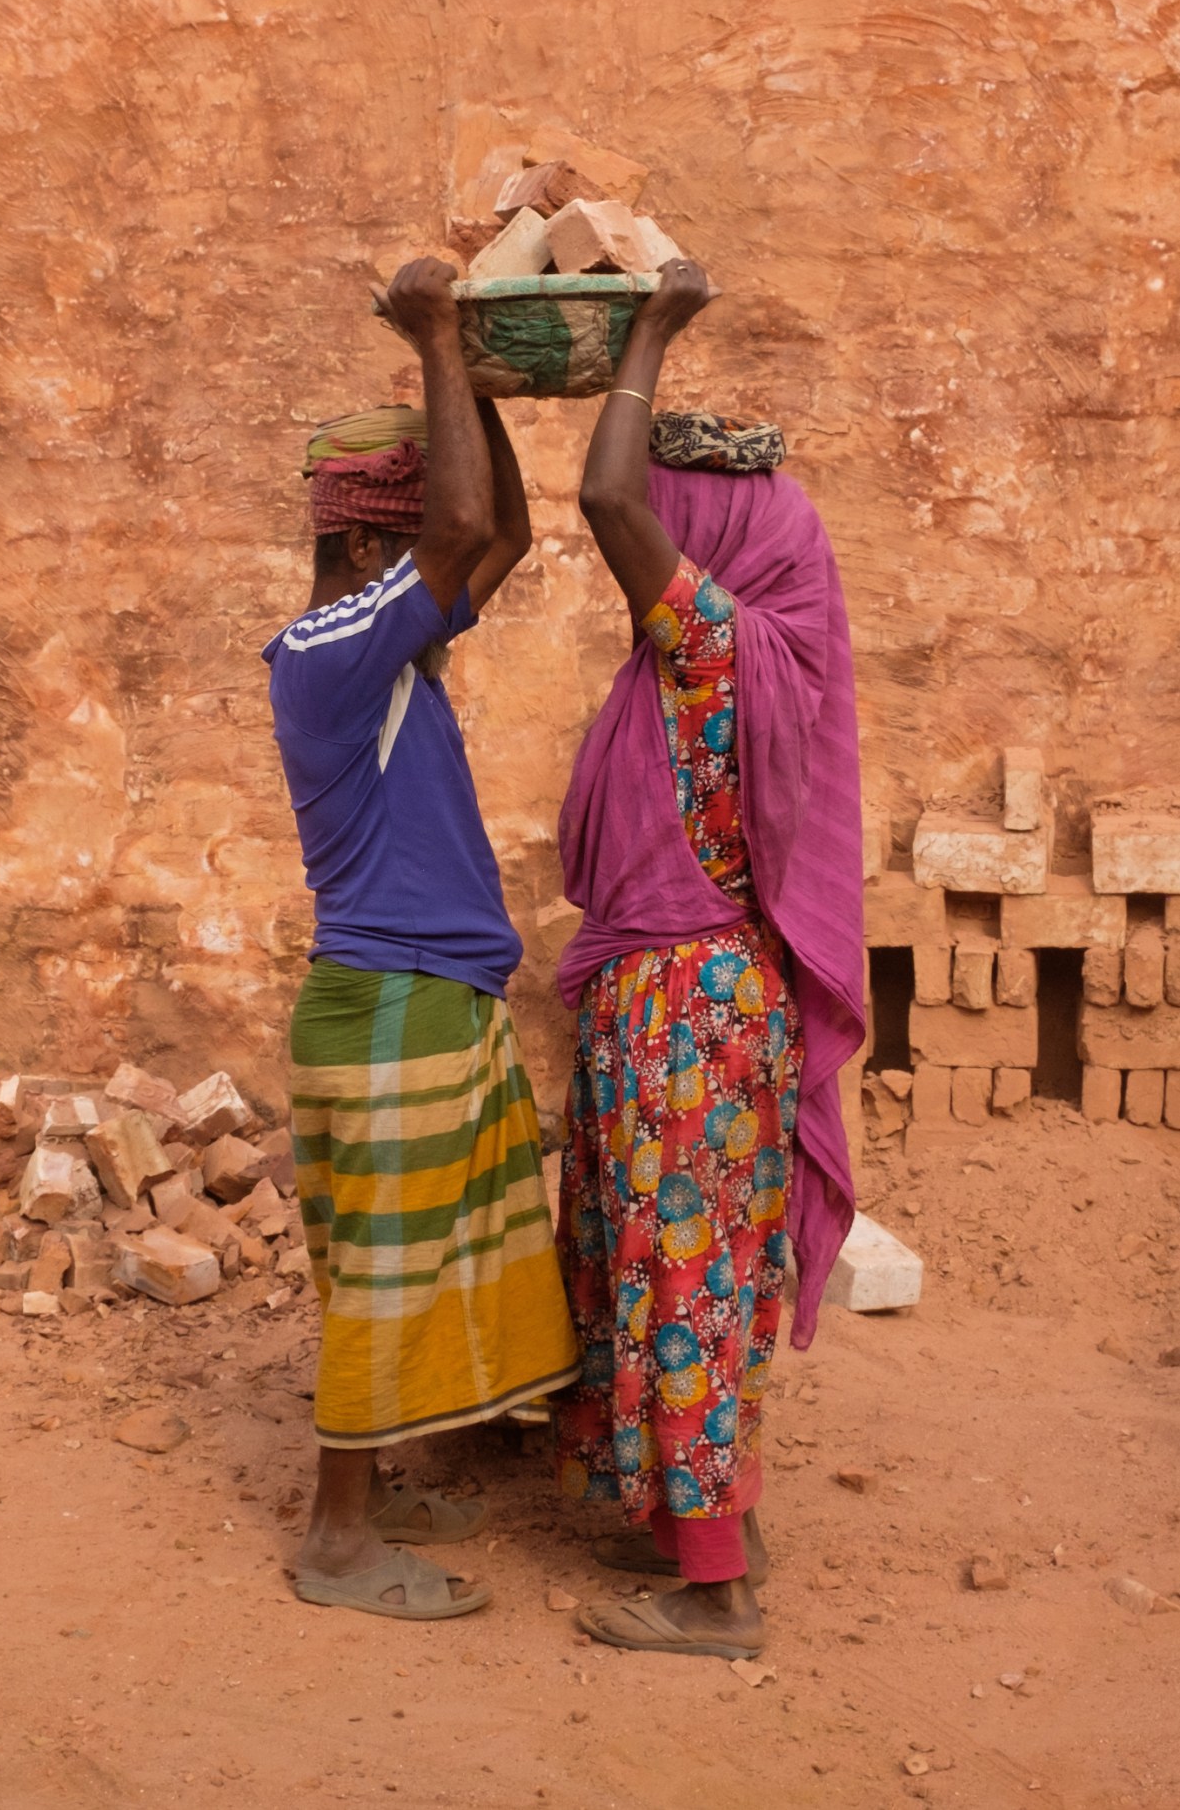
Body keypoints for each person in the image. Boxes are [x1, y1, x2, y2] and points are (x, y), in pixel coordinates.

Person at [551, 260, 865, 1659]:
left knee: (680, 1273)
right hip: (698, 1001)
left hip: (683, 1006)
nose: (641, 554)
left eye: (672, 535)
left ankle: (713, 1593)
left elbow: (606, 497)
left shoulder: (718, 651)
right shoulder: (744, 656)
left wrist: (649, 337)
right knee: (689, 1268)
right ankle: (703, 1516)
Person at [262, 257, 579, 1622]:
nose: (434, 571)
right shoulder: (329, 644)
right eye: (409, 547)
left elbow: (495, 536)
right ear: (364, 547)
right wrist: (439, 337)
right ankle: (335, 1538)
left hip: (420, 994)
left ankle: (375, 1484)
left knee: (418, 1257)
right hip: (388, 998)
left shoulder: (394, 647)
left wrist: (484, 375)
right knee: (383, 1277)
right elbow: (462, 533)